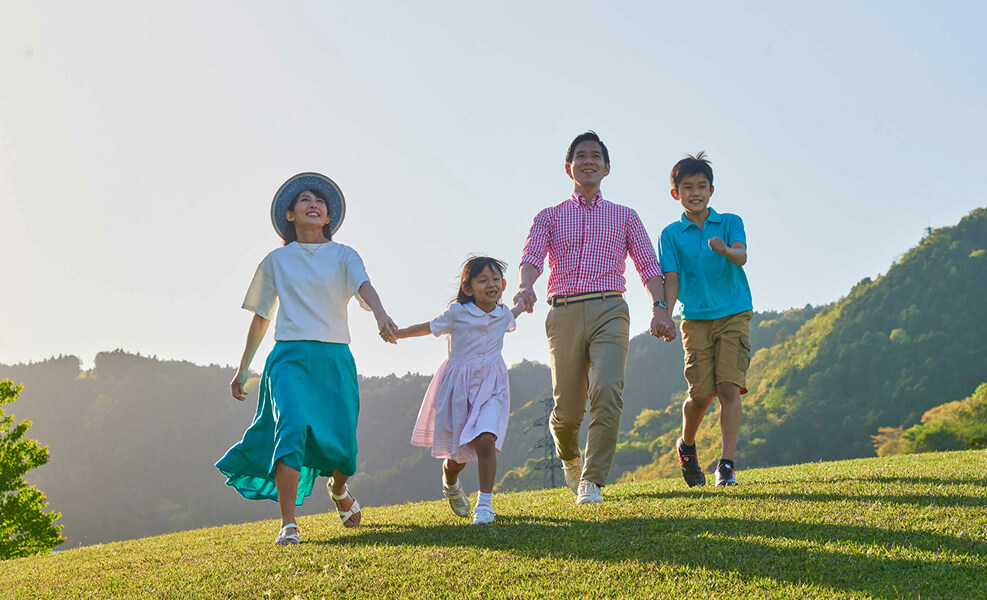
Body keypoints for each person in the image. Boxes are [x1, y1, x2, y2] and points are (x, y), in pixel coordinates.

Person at [216, 172, 397, 545]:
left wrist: (380, 314)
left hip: (334, 359)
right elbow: (262, 315)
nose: (314, 205)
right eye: (305, 201)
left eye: (320, 202)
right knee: (291, 428)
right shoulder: (276, 261)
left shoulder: (345, 255)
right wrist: (243, 366)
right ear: (290, 215)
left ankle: (338, 488)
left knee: (344, 449)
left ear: (328, 218)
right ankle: (288, 523)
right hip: (289, 358)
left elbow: (365, 287)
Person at [514, 131, 676, 505]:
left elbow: (648, 266)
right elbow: (532, 257)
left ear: (606, 167)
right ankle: (570, 456)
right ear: (569, 166)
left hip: (610, 309)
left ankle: (593, 480)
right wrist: (525, 287)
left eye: (596, 156)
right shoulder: (550, 216)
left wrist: (659, 307)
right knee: (568, 411)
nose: (588, 161)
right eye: (581, 156)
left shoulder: (625, 216)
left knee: (606, 389)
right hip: (564, 311)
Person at [393, 257, 525, 525]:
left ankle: (484, 506)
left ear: (504, 284)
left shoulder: (503, 315)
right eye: (483, 279)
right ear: (468, 288)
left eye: (496, 279)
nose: (491, 284)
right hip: (459, 390)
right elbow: (428, 327)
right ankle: (450, 482)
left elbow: (515, 312)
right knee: (457, 459)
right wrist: (399, 334)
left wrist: (523, 302)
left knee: (486, 441)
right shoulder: (457, 313)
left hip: (491, 388)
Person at [659, 152, 753, 487]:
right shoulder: (670, 235)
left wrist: (725, 251)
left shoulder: (729, 222)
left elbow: (741, 255)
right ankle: (686, 446)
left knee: (729, 387)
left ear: (712, 190)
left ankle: (726, 465)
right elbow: (672, 278)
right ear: (676, 194)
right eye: (687, 187)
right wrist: (664, 315)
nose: (695, 192)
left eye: (701, 186)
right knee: (701, 395)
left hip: (734, 313)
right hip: (695, 319)